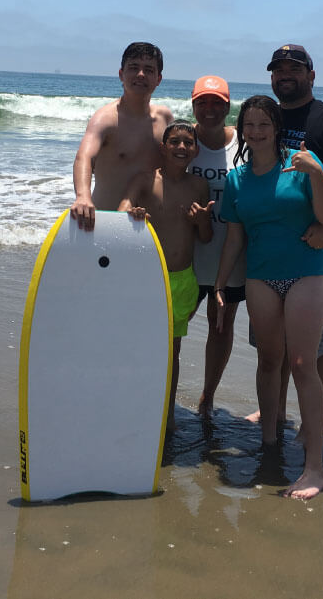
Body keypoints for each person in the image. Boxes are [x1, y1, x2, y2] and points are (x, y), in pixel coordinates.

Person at [214, 96, 323, 499]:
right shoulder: (237, 179)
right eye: (248, 124)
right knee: (269, 360)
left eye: (264, 124)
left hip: (306, 273)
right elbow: (235, 237)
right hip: (261, 278)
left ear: (277, 126)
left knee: (303, 364)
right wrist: (219, 285)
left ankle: (315, 468)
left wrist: (317, 174)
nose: (255, 132)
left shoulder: (302, 166)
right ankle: (269, 445)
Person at [254, 44, 323, 428]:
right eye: (278, 69)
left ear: (311, 76)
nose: (285, 75)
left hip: (319, 253)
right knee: (273, 349)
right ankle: (276, 410)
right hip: (270, 252)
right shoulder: (264, 119)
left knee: (318, 348)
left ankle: (308, 421)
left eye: (294, 69)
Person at [119, 121, 215, 433]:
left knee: (171, 352)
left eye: (188, 143)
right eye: (175, 141)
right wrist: (131, 213)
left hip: (182, 280)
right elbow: (123, 205)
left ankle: (168, 412)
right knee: (139, 347)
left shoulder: (199, 186)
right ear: (164, 147)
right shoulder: (146, 179)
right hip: (146, 279)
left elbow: (205, 237)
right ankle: (133, 403)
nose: (182, 147)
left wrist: (201, 221)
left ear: (196, 150)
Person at [187, 75, 247, 418]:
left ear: (228, 105)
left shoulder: (244, 143)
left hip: (232, 254)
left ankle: (207, 397)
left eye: (217, 103)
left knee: (221, 326)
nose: (209, 109)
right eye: (202, 102)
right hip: (189, 253)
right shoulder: (182, 140)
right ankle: (161, 390)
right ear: (193, 105)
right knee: (173, 326)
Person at [70, 42, 174, 230]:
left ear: (158, 79)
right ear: (121, 74)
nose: (141, 74)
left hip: (150, 228)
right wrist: (82, 196)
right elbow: (84, 156)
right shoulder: (106, 119)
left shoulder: (164, 118)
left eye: (148, 70)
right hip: (106, 223)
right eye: (134, 68)